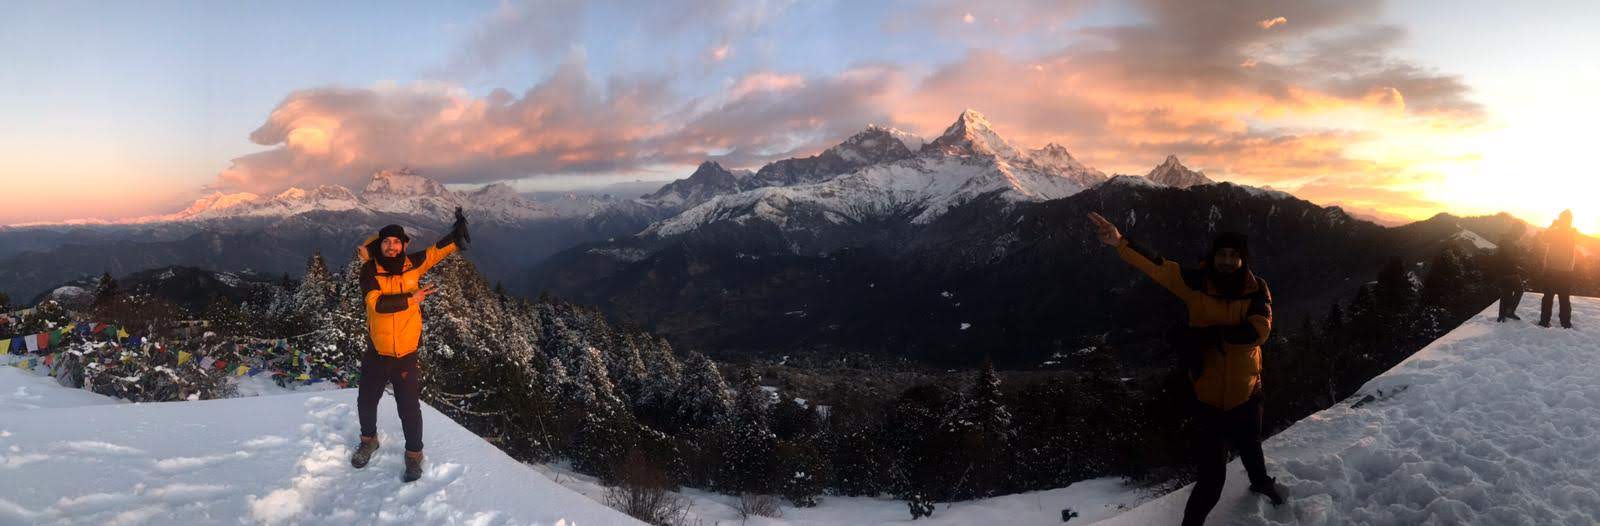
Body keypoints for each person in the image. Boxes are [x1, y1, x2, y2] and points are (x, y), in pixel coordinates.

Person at [1087, 212, 1284, 525]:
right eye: (1222, 254)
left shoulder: (1257, 289)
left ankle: (1261, 483)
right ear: (1213, 256)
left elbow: (1259, 332)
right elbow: (1158, 266)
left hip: (1247, 393)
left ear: (1243, 260)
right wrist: (1120, 242)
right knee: (1211, 479)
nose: (1227, 261)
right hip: (1206, 397)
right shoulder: (1196, 283)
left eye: (1233, 255)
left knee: (1251, 446)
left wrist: (1208, 336)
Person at [349, 207, 470, 482]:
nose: (391, 246)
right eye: (386, 242)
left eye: (396, 242)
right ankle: (368, 441)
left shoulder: (412, 264)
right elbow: (376, 304)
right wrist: (411, 299)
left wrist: (456, 237)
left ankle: (414, 455)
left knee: (409, 408)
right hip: (377, 352)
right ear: (379, 245)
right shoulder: (370, 270)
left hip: (405, 354)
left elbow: (434, 253)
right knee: (366, 401)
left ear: (404, 245)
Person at [1537, 209, 1577, 329]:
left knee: (1548, 297)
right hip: (1566, 271)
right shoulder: (1573, 232)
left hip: (1552, 270)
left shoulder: (1556, 232)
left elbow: (1544, 238)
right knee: (1564, 298)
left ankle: (1544, 321)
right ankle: (1565, 323)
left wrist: (1552, 226)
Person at [1492, 223, 1527, 322]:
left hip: (1503, 271)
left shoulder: (1506, 239)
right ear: (1517, 231)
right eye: (1522, 233)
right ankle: (1509, 312)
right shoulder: (1509, 241)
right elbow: (1510, 257)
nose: (1522, 235)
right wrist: (1520, 255)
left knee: (1506, 292)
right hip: (1509, 271)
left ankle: (1503, 314)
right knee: (1518, 290)